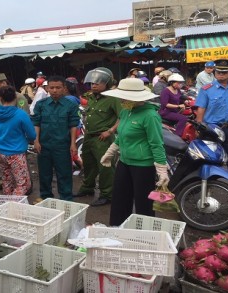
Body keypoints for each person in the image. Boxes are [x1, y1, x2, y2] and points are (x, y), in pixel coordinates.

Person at [100, 78, 168, 226]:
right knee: (120, 199)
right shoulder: (126, 112)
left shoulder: (150, 116)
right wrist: (110, 152)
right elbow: (121, 136)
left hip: (143, 165)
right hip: (124, 162)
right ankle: (118, 229)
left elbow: (156, 144)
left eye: (125, 98)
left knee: (144, 204)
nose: (122, 101)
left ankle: (145, 234)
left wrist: (162, 169)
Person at [195, 59, 228, 181]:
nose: (220, 74)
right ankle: (208, 182)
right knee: (210, 155)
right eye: (218, 72)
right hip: (212, 128)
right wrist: (199, 126)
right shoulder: (206, 89)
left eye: (224, 72)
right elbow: (201, 108)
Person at [77, 68, 121, 207]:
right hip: (89, 136)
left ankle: (107, 195)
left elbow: (122, 117)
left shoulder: (113, 99)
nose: (93, 85)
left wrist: (110, 131)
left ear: (106, 83)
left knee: (105, 167)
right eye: (91, 83)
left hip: (102, 138)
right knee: (88, 164)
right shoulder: (91, 97)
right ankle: (87, 188)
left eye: (97, 83)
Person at [31, 75, 79, 201]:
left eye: (58, 87)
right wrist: (36, 141)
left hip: (62, 146)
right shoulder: (41, 105)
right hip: (44, 146)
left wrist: (73, 144)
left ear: (64, 88)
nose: (54, 90)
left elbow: (73, 125)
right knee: (44, 175)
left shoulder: (70, 105)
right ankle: (46, 199)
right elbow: (36, 123)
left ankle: (66, 199)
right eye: (51, 87)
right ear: (47, 88)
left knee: (64, 174)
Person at [0, 86, 36, 195]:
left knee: (7, 181)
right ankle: (13, 206)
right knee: (23, 184)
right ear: (15, 97)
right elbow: (32, 135)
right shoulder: (20, 114)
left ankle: (8, 204)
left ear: (0, 98)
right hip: (16, 154)